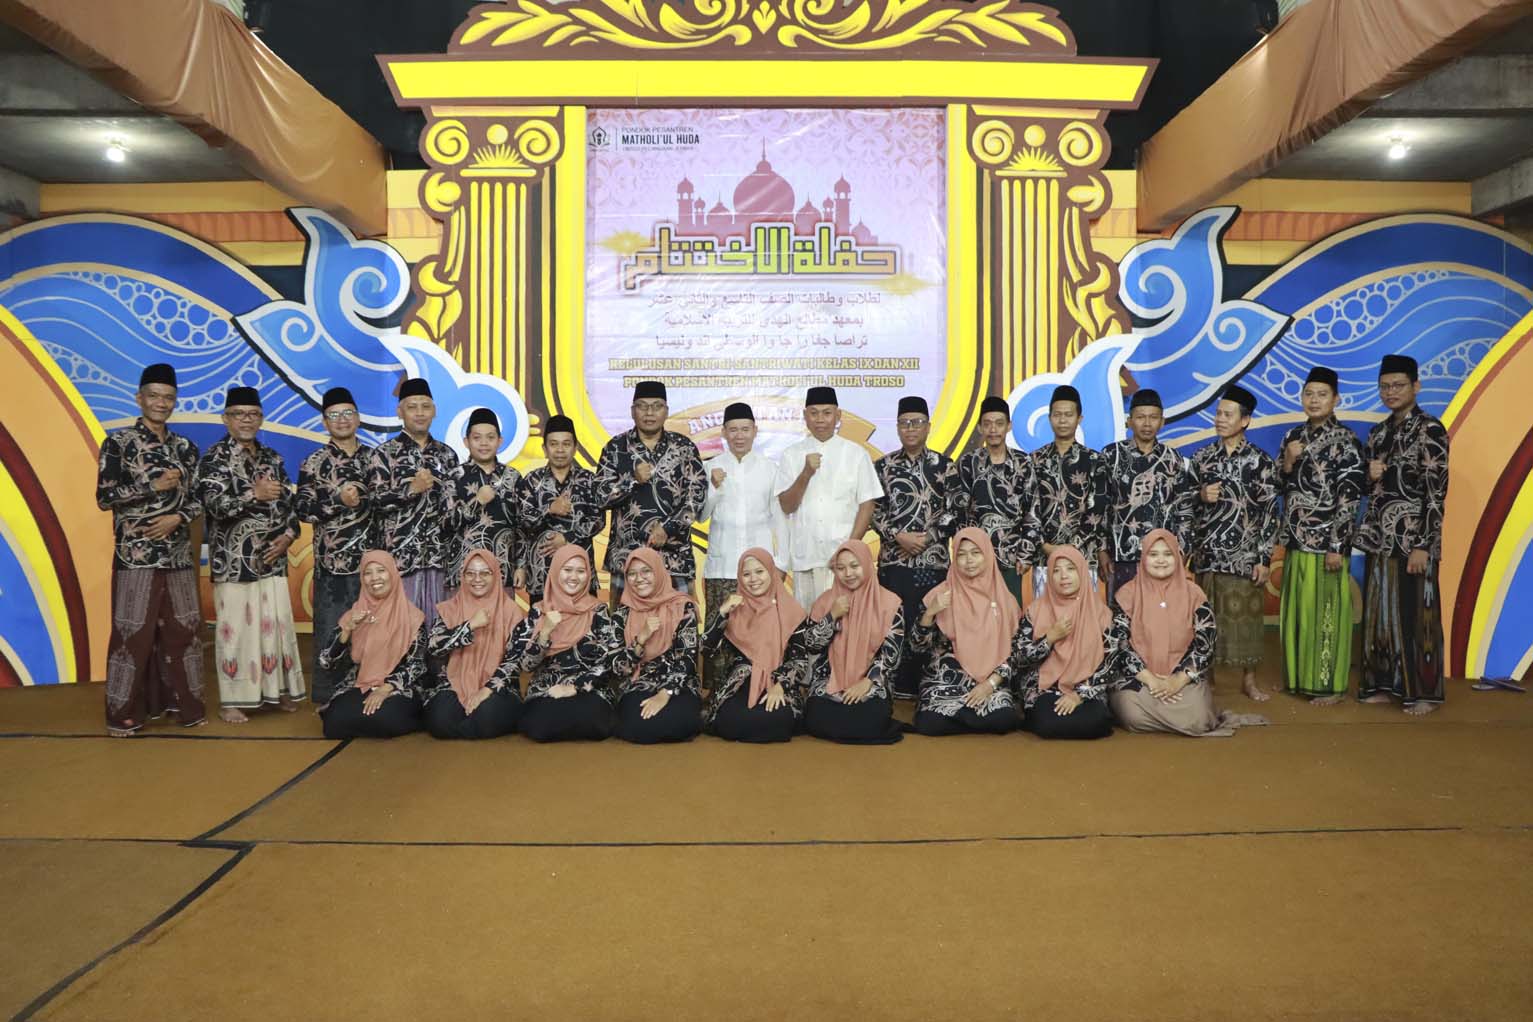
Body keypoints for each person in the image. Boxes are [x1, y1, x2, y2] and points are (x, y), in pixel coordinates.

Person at [94, 363, 206, 735]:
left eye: (168, 397)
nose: (161, 403)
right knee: (132, 635)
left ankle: (186, 705)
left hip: (178, 555)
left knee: (185, 631)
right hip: (136, 556)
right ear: (139, 398)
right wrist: (152, 487)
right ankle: (121, 712)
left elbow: (198, 499)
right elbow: (105, 497)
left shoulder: (185, 448)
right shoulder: (119, 443)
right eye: (154, 396)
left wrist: (178, 517)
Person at [197, 386, 305, 723]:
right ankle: (231, 700)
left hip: (273, 560)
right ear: (225, 419)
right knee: (235, 632)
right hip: (233, 562)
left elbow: (291, 507)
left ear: (261, 418)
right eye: (239, 414)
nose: (247, 420)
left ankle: (276, 691)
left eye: (253, 414)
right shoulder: (214, 459)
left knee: (275, 628)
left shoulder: (273, 458)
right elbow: (214, 506)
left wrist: (289, 536)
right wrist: (253, 494)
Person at [1107, 530, 1268, 737]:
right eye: (1153, 554)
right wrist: (1151, 680)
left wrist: (1177, 680)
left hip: (1183, 675)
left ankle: (1172, 713)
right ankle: (1173, 715)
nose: (1161, 560)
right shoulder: (1127, 594)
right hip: (1139, 679)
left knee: (1198, 720)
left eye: (1168, 554)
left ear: (1177, 557)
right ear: (1143, 558)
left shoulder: (1194, 594)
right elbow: (1119, 643)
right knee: (1132, 715)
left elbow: (1205, 644)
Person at [1358, 354, 1450, 715]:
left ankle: (1425, 693)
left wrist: (1424, 545)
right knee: (1380, 617)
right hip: (1379, 538)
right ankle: (1384, 684)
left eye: (1398, 385)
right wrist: (1369, 476)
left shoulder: (1430, 430)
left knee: (1418, 618)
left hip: (1414, 540)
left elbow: (1436, 493)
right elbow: (1370, 488)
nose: (1390, 392)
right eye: (1384, 386)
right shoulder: (1378, 433)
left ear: (1416, 386)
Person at [1278, 366, 1366, 704]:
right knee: (1298, 615)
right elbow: (1279, 486)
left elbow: (1349, 499)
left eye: (1322, 394)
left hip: (1327, 545)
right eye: (1309, 394)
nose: (1314, 400)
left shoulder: (1347, 441)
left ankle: (1329, 686)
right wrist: (1288, 462)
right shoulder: (1293, 437)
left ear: (1336, 399)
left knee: (1327, 615)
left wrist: (1337, 546)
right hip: (1296, 541)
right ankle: (1300, 680)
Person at [1188, 383, 1281, 702]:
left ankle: (1249, 680)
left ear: (1245, 420)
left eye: (1228, 414)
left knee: (1247, 621)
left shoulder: (1259, 461)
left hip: (1244, 556)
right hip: (1208, 554)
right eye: (1218, 413)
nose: (1220, 419)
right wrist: (1200, 495)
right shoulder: (1202, 458)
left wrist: (1264, 559)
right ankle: (1208, 679)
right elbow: (1184, 503)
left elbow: (1270, 513)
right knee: (1205, 618)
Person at [872, 395, 959, 699]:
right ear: (897, 427)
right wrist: (897, 535)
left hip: (933, 563)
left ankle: (930, 683)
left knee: (931, 620)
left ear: (928, 427)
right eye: (904, 423)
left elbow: (954, 510)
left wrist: (927, 539)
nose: (910, 428)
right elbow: (874, 511)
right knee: (895, 620)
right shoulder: (882, 467)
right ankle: (895, 684)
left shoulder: (945, 467)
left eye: (917, 423)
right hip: (894, 563)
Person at [297, 386, 376, 710]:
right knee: (333, 630)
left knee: (372, 630)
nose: (342, 420)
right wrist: (337, 501)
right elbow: (303, 510)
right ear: (324, 422)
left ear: (358, 418)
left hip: (374, 566)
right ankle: (328, 698)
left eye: (347, 413)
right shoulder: (314, 462)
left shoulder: (376, 459)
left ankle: (369, 691)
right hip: (333, 565)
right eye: (334, 415)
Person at [595, 380, 707, 604]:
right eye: (642, 406)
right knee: (624, 624)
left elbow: (696, 497)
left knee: (681, 622)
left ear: (666, 411)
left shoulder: (684, 448)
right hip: (627, 559)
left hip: (674, 559)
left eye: (656, 406)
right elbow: (599, 496)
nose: (649, 413)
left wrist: (668, 528)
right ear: (632, 411)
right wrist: (631, 480)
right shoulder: (615, 448)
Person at [699, 402, 783, 689]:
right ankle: (715, 693)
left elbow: (780, 519)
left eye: (745, 429)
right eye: (733, 430)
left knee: (758, 632)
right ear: (723, 432)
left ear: (755, 431)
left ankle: (757, 688)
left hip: (759, 572)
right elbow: (700, 515)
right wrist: (713, 487)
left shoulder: (770, 469)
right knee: (719, 631)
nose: (739, 436)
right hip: (722, 566)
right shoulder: (710, 467)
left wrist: (780, 563)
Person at [775, 386, 883, 610]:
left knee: (846, 623)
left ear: (838, 415)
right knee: (809, 623)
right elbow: (786, 506)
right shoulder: (791, 455)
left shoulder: (856, 454)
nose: (820, 419)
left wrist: (849, 549)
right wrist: (806, 473)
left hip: (845, 564)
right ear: (805, 416)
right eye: (814, 413)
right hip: (806, 557)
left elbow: (867, 504)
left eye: (826, 413)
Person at [501, 545, 620, 742]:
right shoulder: (538, 611)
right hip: (548, 688)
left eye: (580, 571)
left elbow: (610, 660)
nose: (574, 577)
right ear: (556, 571)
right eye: (567, 570)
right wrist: (544, 633)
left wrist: (575, 687)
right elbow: (525, 666)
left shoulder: (598, 610)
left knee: (594, 718)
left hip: (589, 688)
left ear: (588, 575)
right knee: (541, 724)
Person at [909, 528, 1021, 735]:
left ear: (987, 555)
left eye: (976, 553)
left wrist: (990, 684)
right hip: (947, 677)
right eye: (961, 554)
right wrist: (930, 613)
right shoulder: (939, 594)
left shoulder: (1006, 601)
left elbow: (1015, 652)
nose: (969, 560)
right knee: (929, 722)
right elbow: (917, 647)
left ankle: (961, 718)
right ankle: (972, 718)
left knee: (1004, 718)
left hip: (990, 679)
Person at [366, 378, 460, 624]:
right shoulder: (384, 454)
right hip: (400, 561)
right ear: (400, 412)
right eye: (412, 407)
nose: (419, 413)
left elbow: (453, 510)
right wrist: (411, 489)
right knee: (403, 631)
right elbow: (374, 502)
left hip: (440, 560)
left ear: (434, 411)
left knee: (439, 629)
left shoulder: (447, 455)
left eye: (425, 406)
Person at [798, 540, 904, 744]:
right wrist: (831, 616)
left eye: (855, 566)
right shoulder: (826, 601)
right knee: (815, 718)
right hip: (829, 679)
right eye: (841, 568)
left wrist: (868, 681)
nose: (848, 573)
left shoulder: (889, 602)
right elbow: (811, 644)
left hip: (871, 679)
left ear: (867, 564)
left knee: (870, 718)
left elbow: (891, 652)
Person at [1099, 388, 1197, 598]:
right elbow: (1100, 507)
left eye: (1153, 418)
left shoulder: (1173, 460)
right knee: (1123, 612)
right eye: (1140, 417)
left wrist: (1182, 552)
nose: (1146, 423)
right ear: (1129, 421)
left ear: (1162, 422)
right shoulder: (1111, 456)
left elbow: (1184, 510)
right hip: (1122, 555)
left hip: (1163, 558)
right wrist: (1101, 550)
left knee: (1160, 614)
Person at [318, 551, 426, 739]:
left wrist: (385, 689)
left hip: (400, 686)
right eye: (368, 573)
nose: (374, 578)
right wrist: (346, 631)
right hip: (361, 684)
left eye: (381, 571)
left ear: (392, 574)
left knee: (384, 719)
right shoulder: (354, 615)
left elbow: (417, 665)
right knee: (333, 724)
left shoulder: (413, 617)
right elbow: (326, 662)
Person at [702, 548, 805, 743]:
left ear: (771, 572)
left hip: (778, 682)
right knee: (730, 719)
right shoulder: (735, 609)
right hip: (740, 684)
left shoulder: (791, 610)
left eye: (759, 571)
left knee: (777, 719)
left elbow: (799, 661)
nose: (753, 579)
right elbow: (706, 649)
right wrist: (722, 612)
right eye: (746, 574)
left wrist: (781, 686)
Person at [1013, 546, 1115, 739]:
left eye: (1070, 569)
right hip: (1046, 687)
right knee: (1048, 723)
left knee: (1097, 720)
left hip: (1087, 687)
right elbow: (1020, 658)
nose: (1064, 576)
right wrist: (1049, 638)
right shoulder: (1036, 610)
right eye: (1056, 570)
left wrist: (1079, 694)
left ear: (1082, 572)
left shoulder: (1101, 613)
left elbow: (1111, 661)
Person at [422, 548, 525, 739]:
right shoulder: (450, 608)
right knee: (440, 720)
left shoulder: (511, 611)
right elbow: (434, 648)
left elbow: (515, 660)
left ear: (496, 575)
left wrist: (487, 690)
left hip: (499, 685)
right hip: (454, 682)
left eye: (485, 573)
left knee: (487, 716)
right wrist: (469, 626)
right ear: (463, 576)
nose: (477, 579)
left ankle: (470, 724)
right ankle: (472, 725)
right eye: (470, 573)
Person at [609, 548, 703, 743]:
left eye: (646, 571)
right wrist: (640, 639)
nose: (639, 579)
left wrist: (665, 693)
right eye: (632, 574)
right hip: (639, 681)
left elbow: (688, 658)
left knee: (680, 719)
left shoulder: (682, 606)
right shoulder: (622, 613)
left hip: (679, 682)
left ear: (659, 572)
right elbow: (618, 668)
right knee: (636, 724)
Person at [1023, 385, 1108, 597]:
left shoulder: (1094, 460)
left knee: (1082, 613)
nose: (1062, 420)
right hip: (1045, 557)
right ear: (1049, 418)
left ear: (1079, 418)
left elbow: (1097, 510)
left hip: (1083, 556)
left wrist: (1072, 546)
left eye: (1068, 415)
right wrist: (1044, 545)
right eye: (1057, 415)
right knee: (1046, 614)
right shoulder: (1034, 460)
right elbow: (1029, 507)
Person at [951, 395, 1035, 602]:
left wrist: (1026, 553)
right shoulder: (968, 463)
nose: (993, 429)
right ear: (980, 427)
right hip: (975, 561)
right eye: (987, 424)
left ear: (1009, 426)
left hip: (1011, 557)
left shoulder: (1023, 463)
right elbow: (958, 511)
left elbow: (1032, 511)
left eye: (999, 423)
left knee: (1009, 615)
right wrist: (964, 555)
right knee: (976, 614)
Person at [513, 414, 604, 604]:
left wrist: (567, 538)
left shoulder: (589, 480)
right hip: (542, 574)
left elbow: (598, 520)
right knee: (543, 623)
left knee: (585, 622)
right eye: (554, 444)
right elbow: (522, 523)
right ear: (544, 449)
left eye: (566, 444)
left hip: (580, 574)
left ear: (575, 448)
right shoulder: (531, 481)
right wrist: (548, 509)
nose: (560, 450)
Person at [449, 408, 520, 590]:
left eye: (490, 437)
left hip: (503, 571)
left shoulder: (512, 477)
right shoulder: (454, 476)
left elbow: (522, 526)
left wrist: (521, 565)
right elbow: (446, 523)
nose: (484, 443)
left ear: (500, 441)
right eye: (477, 438)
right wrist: (477, 502)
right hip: (464, 573)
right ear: (466, 441)